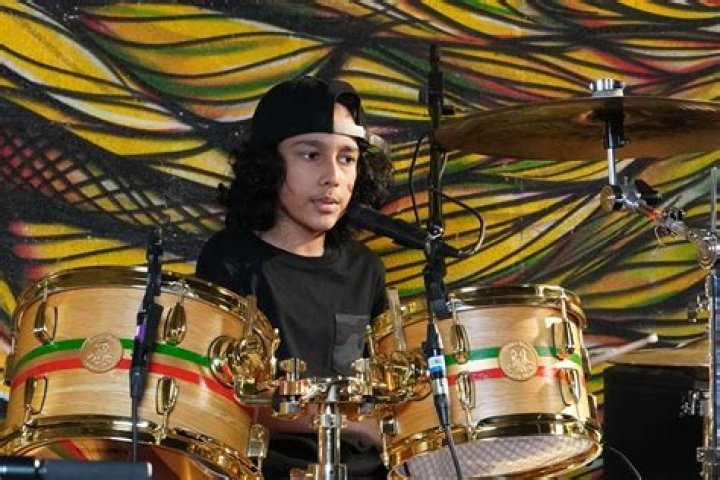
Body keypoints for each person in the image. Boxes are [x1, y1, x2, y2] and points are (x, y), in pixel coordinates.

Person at [196, 76, 393, 479]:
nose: (332, 176)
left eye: (347, 158)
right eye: (310, 155)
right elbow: (223, 395)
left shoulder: (365, 269)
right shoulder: (230, 259)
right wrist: (354, 423)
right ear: (268, 164)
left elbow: (377, 387)